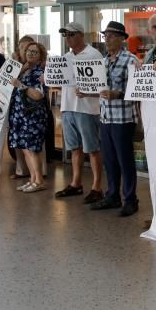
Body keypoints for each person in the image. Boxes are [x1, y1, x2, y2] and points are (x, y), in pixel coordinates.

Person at [89, 21, 141, 216]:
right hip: (106, 118)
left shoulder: (131, 61)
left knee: (125, 160)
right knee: (109, 160)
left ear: (121, 38)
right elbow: (100, 89)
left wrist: (117, 94)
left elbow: (138, 91)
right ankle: (112, 195)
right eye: (105, 35)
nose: (107, 39)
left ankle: (130, 199)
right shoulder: (102, 62)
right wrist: (87, 92)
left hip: (123, 118)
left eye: (110, 35)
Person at [54, 21, 104, 203]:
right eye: (65, 35)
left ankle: (97, 186)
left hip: (86, 108)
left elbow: (101, 84)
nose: (68, 38)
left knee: (92, 148)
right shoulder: (65, 57)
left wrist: (89, 92)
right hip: (68, 106)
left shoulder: (93, 54)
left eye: (71, 34)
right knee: (75, 148)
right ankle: (76, 183)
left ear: (81, 35)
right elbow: (63, 81)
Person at [9, 42, 50, 193]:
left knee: (32, 149)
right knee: (25, 149)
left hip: (33, 115)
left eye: (35, 52)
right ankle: (32, 179)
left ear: (41, 55)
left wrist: (20, 85)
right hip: (20, 114)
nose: (31, 54)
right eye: (29, 51)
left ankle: (39, 180)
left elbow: (38, 95)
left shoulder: (42, 72)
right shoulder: (24, 69)